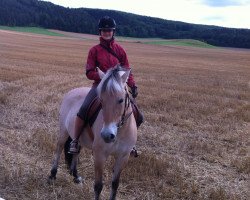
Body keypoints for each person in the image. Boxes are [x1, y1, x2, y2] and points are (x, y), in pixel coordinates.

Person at [68, 16, 144, 154]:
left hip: (119, 88)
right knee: (84, 109)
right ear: (100, 32)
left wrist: (132, 85)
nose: (106, 33)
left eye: (109, 30)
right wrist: (104, 78)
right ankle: (75, 140)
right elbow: (89, 72)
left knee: (138, 114)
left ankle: (130, 143)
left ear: (113, 32)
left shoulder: (120, 50)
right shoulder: (94, 50)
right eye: (104, 30)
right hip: (100, 86)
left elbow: (127, 69)